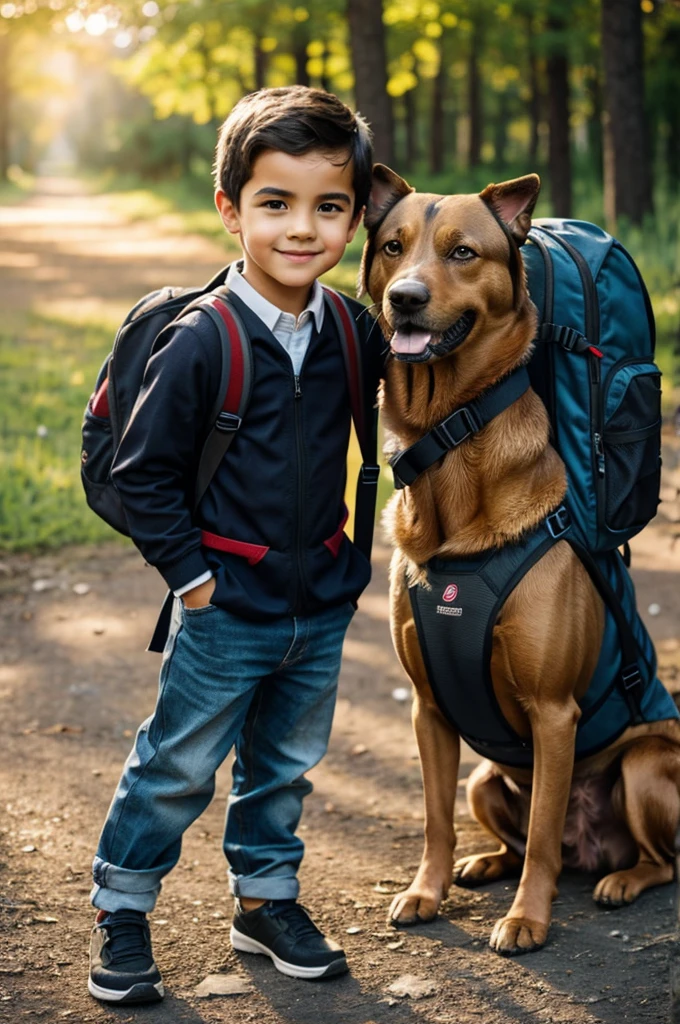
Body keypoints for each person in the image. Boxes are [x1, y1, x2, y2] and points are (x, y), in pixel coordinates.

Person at [87, 85, 379, 1005]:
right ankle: (123, 911)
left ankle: (264, 900)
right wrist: (194, 582)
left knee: (284, 767)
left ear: (355, 215)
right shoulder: (202, 339)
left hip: (317, 602)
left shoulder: (349, 330)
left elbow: (417, 398)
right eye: (276, 203)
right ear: (231, 210)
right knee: (176, 765)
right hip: (225, 605)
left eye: (330, 207)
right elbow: (143, 474)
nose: (304, 228)